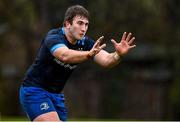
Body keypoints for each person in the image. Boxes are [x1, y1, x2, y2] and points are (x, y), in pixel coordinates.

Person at [19, 4, 136, 122]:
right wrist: (89, 54)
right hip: (34, 90)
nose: (84, 28)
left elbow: (106, 61)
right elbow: (64, 55)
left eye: (86, 24)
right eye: (80, 23)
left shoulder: (85, 43)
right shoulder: (54, 37)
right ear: (67, 24)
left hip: (56, 95)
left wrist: (118, 55)